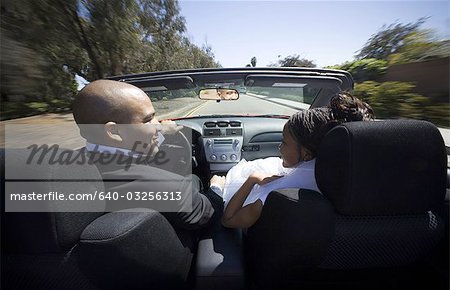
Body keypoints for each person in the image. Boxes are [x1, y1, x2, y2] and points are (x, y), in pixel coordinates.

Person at [72, 79, 223, 231]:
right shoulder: (173, 189)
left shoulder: (71, 169)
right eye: (148, 119)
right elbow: (209, 215)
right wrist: (217, 186)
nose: (158, 124)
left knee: (193, 179)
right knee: (195, 179)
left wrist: (163, 133)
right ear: (114, 131)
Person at [217, 92, 374, 228]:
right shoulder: (350, 179)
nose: (280, 147)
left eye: (284, 142)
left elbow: (228, 220)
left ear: (306, 153)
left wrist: (251, 179)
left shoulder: (276, 192)